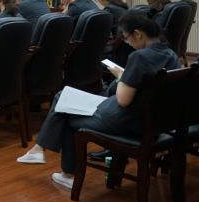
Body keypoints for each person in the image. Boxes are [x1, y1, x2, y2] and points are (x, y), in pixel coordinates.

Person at [16, 12, 180, 190]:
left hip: (128, 120)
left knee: (65, 112)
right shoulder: (170, 55)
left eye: (126, 38)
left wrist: (121, 77)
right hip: (154, 122)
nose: (128, 43)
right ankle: (39, 150)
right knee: (62, 97)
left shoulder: (139, 57)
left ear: (138, 34)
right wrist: (127, 77)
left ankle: (66, 173)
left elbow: (123, 100)